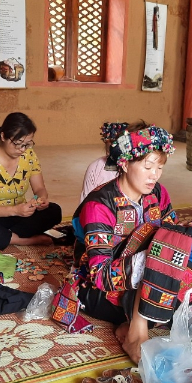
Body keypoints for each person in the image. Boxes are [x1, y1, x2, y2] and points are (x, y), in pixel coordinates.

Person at [70, 125, 179, 361]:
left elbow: (173, 234)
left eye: (159, 168)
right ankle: (136, 333)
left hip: (142, 280)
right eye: (148, 167)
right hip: (97, 289)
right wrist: (152, 258)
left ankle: (130, 322)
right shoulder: (100, 205)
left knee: (182, 247)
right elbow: (99, 275)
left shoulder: (159, 194)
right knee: (159, 248)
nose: (155, 175)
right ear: (125, 164)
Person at [0, 112, 62, 252]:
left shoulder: (29, 155)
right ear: (3, 136)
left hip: (19, 214)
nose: (22, 149)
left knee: (54, 211)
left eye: (27, 144)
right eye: (18, 144)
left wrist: (41, 199)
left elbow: (39, 188)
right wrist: (15, 211)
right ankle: (22, 240)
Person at [78, 121, 129, 203]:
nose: (114, 147)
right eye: (111, 142)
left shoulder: (136, 167)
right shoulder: (95, 168)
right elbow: (85, 203)